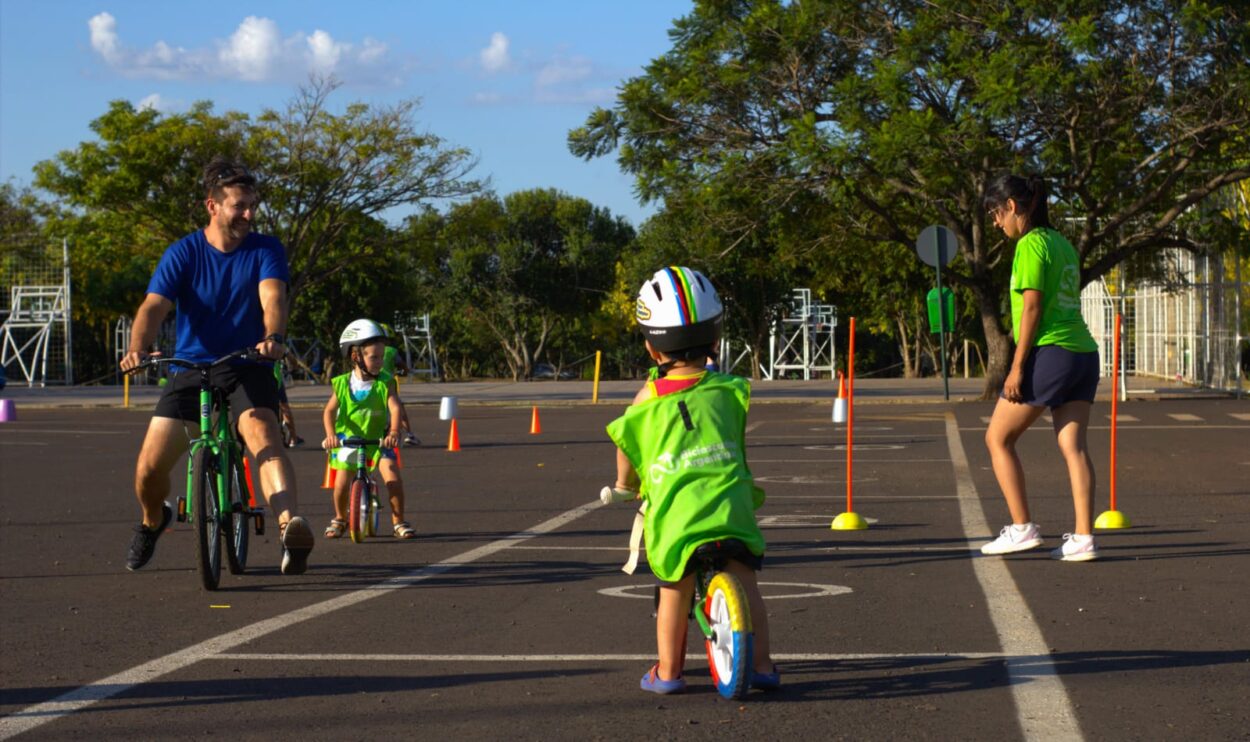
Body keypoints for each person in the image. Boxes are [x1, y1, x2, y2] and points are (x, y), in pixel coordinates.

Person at [119, 155, 315, 575]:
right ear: (212, 206)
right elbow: (153, 306)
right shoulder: (184, 252)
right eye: (239, 206)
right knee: (148, 469)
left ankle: (288, 530)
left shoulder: (266, 249)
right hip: (190, 367)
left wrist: (274, 338)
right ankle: (154, 520)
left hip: (248, 362)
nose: (248, 214)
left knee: (262, 434)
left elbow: (273, 298)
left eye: (252, 206)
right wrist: (139, 347)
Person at [604, 266, 777, 694]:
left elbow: (628, 446)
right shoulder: (731, 390)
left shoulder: (647, 399)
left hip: (679, 519)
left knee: (674, 589)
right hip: (731, 507)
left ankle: (668, 673)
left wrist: (625, 487)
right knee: (748, 583)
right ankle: (763, 665)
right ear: (715, 339)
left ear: (650, 346)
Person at [980, 174, 1101, 562]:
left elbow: (1032, 307)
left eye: (997, 214)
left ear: (1013, 206)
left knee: (997, 439)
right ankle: (1083, 539)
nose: (996, 224)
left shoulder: (1030, 244)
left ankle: (1021, 528)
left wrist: (1016, 368)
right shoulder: (1062, 243)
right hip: (1083, 354)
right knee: (1073, 446)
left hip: (1052, 353)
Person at [321, 319, 416, 539]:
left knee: (392, 477)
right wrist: (331, 435)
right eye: (374, 357)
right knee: (342, 481)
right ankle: (340, 518)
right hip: (350, 439)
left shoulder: (386, 382)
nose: (380, 362)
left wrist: (393, 432)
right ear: (356, 357)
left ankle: (398, 521)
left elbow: (394, 408)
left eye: (382, 357)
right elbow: (328, 412)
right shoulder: (343, 383)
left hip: (380, 438)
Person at [377, 323, 420, 447]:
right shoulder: (391, 351)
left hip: (372, 387)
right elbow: (404, 368)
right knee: (399, 409)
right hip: (388, 386)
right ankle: (409, 434)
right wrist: (404, 371)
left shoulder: (367, 350)